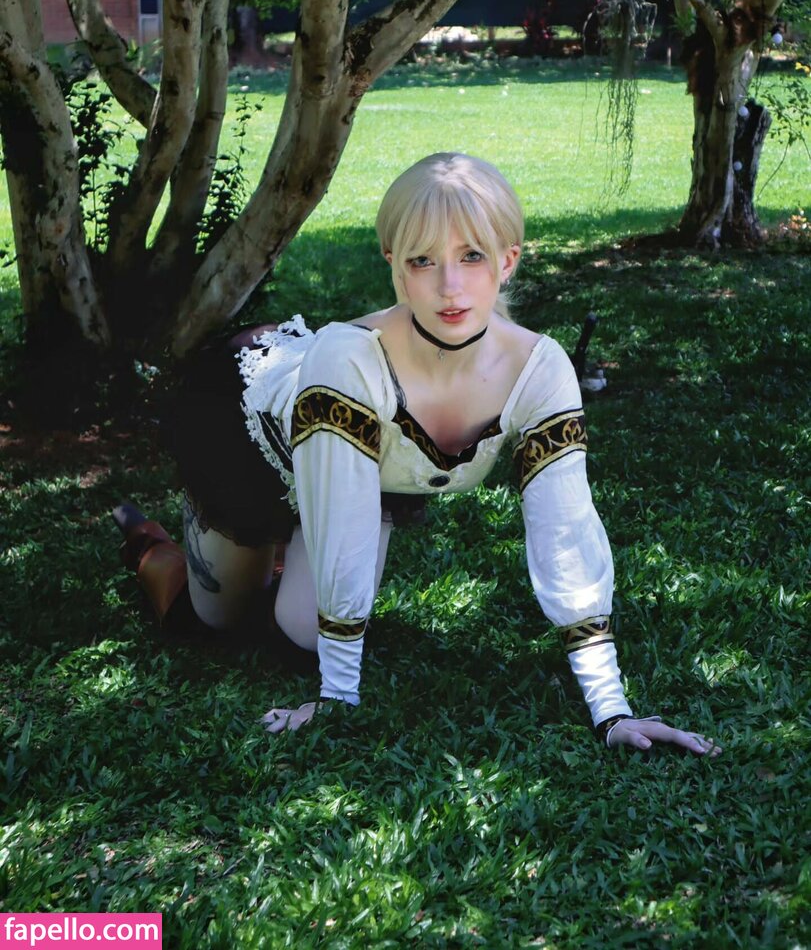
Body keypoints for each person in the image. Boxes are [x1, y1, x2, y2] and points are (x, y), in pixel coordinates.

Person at [115, 152, 720, 756]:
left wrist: (611, 710)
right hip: (248, 440)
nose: (449, 286)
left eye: (472, 256)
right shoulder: (350, 359)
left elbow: (567, 532)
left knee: (304, 632)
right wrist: (337, 697)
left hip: (359, 471)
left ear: (508, 260)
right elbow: (342, 527)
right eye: (422, 260)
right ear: (395, 267)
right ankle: (150, 546)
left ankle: (287, 561)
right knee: (214, 621)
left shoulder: (541, 370)